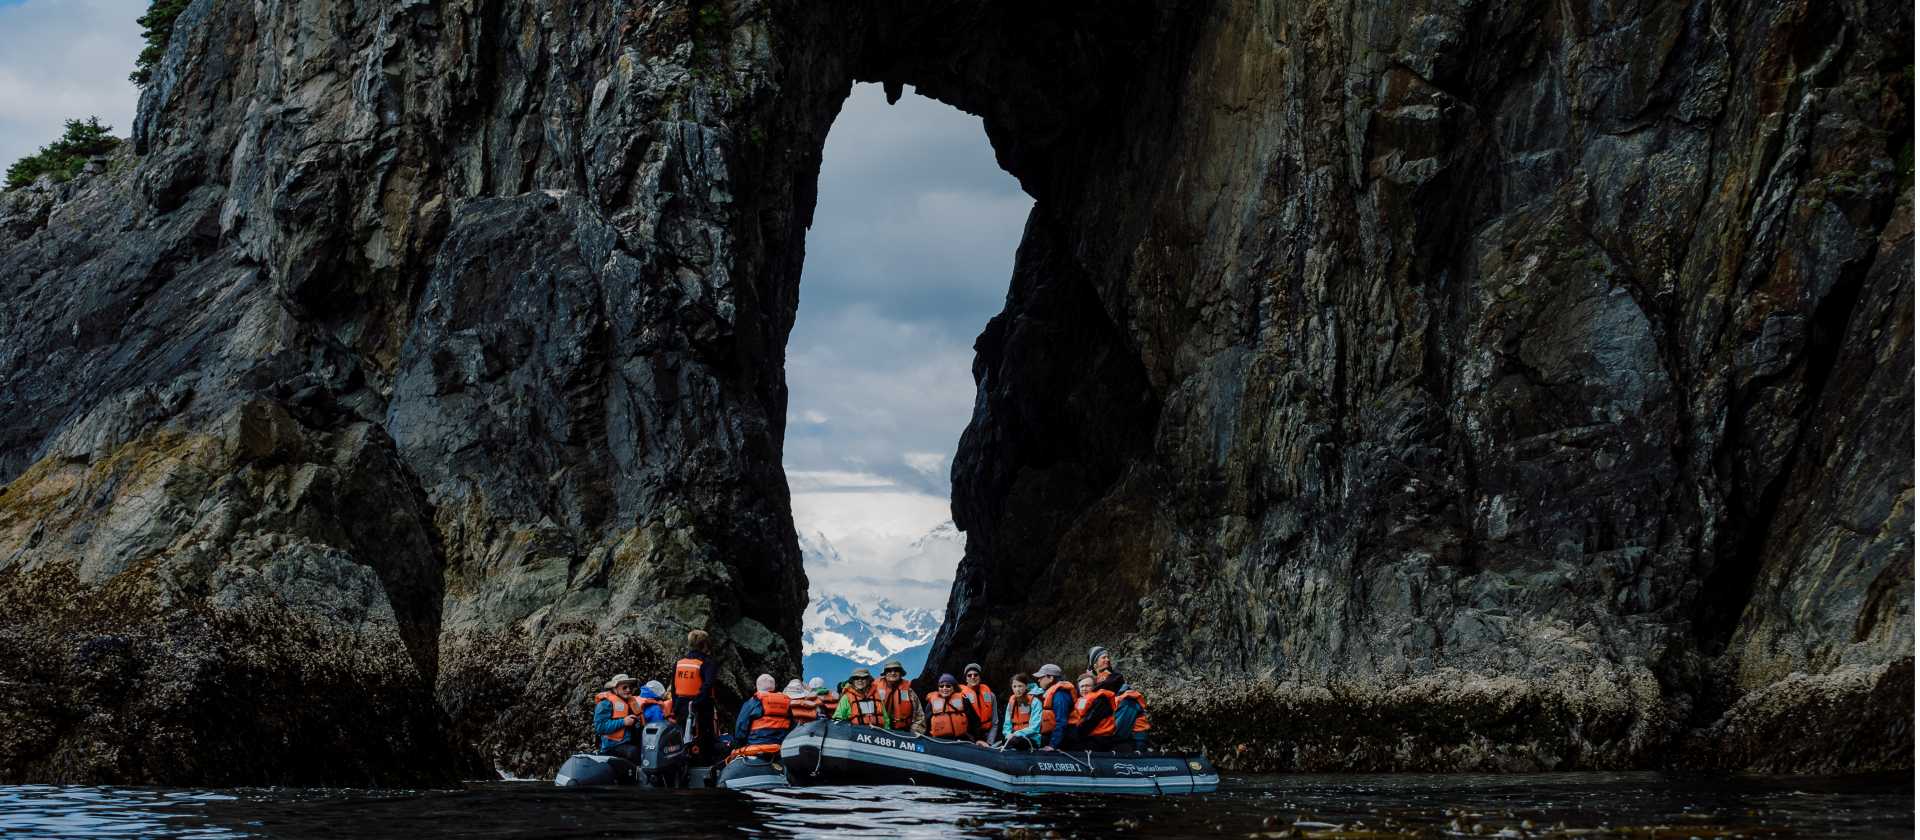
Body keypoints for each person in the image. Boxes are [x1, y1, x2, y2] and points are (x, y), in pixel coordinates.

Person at [673, 629, 719, 761]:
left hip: (681, 705)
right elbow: (708, 685)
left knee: (683, 737)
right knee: (704, 739)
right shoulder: (708, 662)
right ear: (705, 645)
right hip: (701, 706)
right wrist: (696, 702)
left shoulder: (679, 663)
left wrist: (676, 707)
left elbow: (674, 687)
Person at [591, 674, 644, 762]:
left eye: (630, 687)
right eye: (624, 687)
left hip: (631, 742)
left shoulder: (631, 701)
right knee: (634, 752)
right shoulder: (605, 704)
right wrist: (623, 722)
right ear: (615, 689)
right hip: (613, 746)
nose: (628, 690)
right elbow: (599, 727)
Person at [732, 674, 793, 748]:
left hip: (757, 746)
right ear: (774, 687)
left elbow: (741, 727)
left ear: (757, 687)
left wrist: (737, 744)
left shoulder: (753, 702)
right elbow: (792, 725)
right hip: (782, 745)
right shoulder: (787, 702)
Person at [925, 673, 986, 744]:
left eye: (948, 686)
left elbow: (974, 722)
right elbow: (926, 724)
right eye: (941, 686)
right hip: (938, 742)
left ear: (953, 687)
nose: (944, 688)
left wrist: (979, 739)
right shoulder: (932, 704)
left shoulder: (963, 700)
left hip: (961, 741)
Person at [1066, 673, 1121, 750]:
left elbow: (1091, 721)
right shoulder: (1081, 700)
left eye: (1087, 686)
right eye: (1082, 686)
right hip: (1087, 736)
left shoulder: (1101, 699)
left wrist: (1075, 735)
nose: (1084, 688)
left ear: (1094, 686)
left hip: (1099, 739)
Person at [872, 659, 924, 734]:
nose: (893, 673)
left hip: (903, 731)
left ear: (901, 673)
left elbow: (919, 715)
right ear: (885, 674)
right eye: (889, 671)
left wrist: (914, 734)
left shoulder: (909, 691)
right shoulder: (874, 688)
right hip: (878, 729)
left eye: (896, 670)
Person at [1034, 663, 1076, 751]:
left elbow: (1061, 722)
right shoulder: (1051, 693)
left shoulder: (1060, 695)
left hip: (1062, 741)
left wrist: (1053, 745)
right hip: (1050, 736)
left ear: (1051, 678)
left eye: (1041, 677)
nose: (1038, 680)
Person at [1001, 673, 1044, 749]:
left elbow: (1034, 727)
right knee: (1006, 740)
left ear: (1026, 686)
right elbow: (1007, 724)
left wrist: (1016, 734)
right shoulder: (1012, 702)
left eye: (1020, 686)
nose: (1017, 689)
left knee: (1017, 742)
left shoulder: (1035, 702)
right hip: (1013, 737)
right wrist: (1008, 734)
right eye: (1014, 686)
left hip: (1031, 738)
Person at [961, 663, 996, 743]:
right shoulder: (962, 696)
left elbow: (995, 722)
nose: (973, 677)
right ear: (966, 679)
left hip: (987, 735)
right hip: (969, 737)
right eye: (969, 675)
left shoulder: (990, 695)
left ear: (980, 677)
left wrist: (990, 742)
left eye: (975, 675)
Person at [1114, 684, 1151, 751]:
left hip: (1136, 740)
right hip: (1138, 738)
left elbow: (1122, 726)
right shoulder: (1130, 700)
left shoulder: (1128, 702)